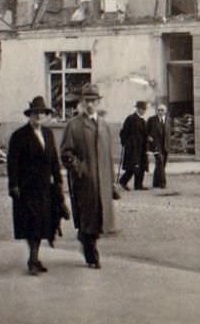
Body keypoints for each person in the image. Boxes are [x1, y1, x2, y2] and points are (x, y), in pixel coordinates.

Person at [7, 96, 66, 276]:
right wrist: (14, 184)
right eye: (35, 113)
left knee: (42, 224)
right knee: (31, 223)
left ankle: (35, 257)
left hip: (45, 188)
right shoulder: (19, 136)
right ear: (30, 115)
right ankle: (33, 260)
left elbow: (54, 159)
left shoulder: (48, 134)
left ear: (46, 115)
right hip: (27, 187)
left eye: (42, 113)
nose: (39, 116)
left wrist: (58, 179)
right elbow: (12, 163)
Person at [61, 83, 116, 269]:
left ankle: (86, 241)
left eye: (93, 101)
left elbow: (108, 157)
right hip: (85, 181)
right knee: (88, 218)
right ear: (82, 102)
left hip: (103, 182)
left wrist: (112, 183)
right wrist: (79, 168)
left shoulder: (104, 126)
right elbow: (66, 153)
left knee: (99, 220)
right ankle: (92, 254)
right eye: (87, 101)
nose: (90, 104)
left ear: (98, 102)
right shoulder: (74, 125)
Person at [118, 100, 148, 191]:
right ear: (137, 109)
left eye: (144, 109)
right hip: (132, 148)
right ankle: (123, 181)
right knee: (132, 166)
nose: (143, 111)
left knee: (142, 165)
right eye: (142, 109)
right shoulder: (130, 119)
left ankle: (138, 185)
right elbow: (123, 132)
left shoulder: (143, 120)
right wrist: (125, 143)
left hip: (141, 147)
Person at [147, 103, 171, 189]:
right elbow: (146, 131)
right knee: (160, 162)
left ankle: (155, 183)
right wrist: (149, 137)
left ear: (165, 111)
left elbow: (168, 133)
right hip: (156, 145)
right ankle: (163, 183)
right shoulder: (152, 120)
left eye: (162, 110)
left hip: (165, 146)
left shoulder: (168, 120)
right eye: (159, 110)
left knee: (161, 164)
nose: (160, 112)